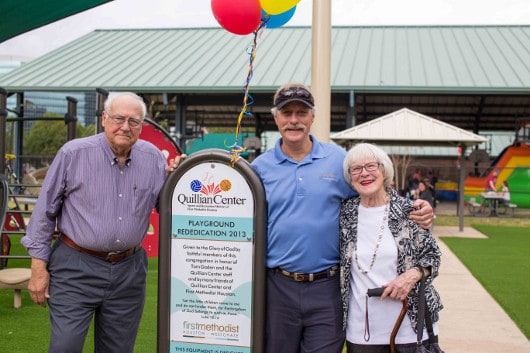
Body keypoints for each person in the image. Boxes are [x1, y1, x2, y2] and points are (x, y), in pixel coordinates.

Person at [250, 83, 435, 353]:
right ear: (275, 117)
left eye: (301, 113)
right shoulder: (259, 168)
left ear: (312, 117)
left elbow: (375, 194)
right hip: (278, 287)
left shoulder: (339, 160)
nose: (294, 120)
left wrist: (415, 210)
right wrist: (180, 170)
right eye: (286, 112)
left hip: (329, 288)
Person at [21, 92, 183, 353]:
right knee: (65, 346)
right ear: (105, 119)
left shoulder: (153, 158)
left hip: (128, 271)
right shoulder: (73, 154)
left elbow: (166, 206)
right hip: (75, 266)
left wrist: (180, 178)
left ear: (142, 126)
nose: (125, 127)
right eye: (119, 118)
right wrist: (38, 267)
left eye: (134, 121)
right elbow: (44, 212)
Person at [339, 143, 443, 353]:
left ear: (384, 170)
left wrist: (412, 275)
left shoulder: (409, 211)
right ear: (350, 177)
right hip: (362, 330)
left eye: (371, 166)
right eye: (356, 169)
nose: (364, 173)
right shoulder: (345, 213)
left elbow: (433, 257)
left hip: (410, 328)